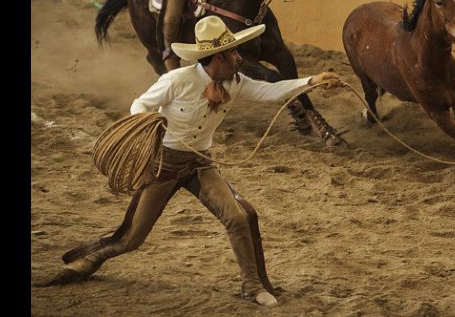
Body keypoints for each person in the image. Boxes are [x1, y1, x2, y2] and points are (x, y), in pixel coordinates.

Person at [37, 16, 344, 307]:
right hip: (164, 166)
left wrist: (313, 80)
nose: (239, 57)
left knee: (236, 217)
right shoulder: (177, 80)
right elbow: (141, 103)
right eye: (233, 52)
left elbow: (270, 90)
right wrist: (148, 122)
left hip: (200, 163)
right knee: (132, 238)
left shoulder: (235, 82)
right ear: (219, 58)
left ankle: (252, 286)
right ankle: (88, 260)